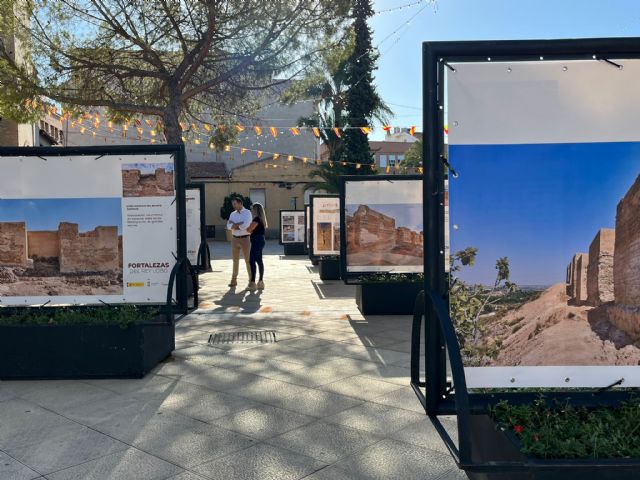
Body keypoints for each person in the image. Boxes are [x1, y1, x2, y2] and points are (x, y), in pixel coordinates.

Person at [226, 196, 252, 287]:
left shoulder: (247, 213)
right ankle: (234, 280)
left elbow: (246, 225)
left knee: (248, 260)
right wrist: (238, 224)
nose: (233, 206)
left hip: (245, 239)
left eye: (235, 204)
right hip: (235, 239)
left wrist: (235, 225)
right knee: (235, 260)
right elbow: (228, 226)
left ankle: (251, 280)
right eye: (233, 204)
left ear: (240, 203)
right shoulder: (232, 214)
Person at [246, 203, 267, 290]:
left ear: (256, 210)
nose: (251, 210)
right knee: (259, 260)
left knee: (251, 261)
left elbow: (249, 229)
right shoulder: (261, 219)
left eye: (252, 209)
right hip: (260, 240)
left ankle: (253, 283)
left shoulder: (256, 219)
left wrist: (249, 229)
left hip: (257, 241)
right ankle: (261, 282)